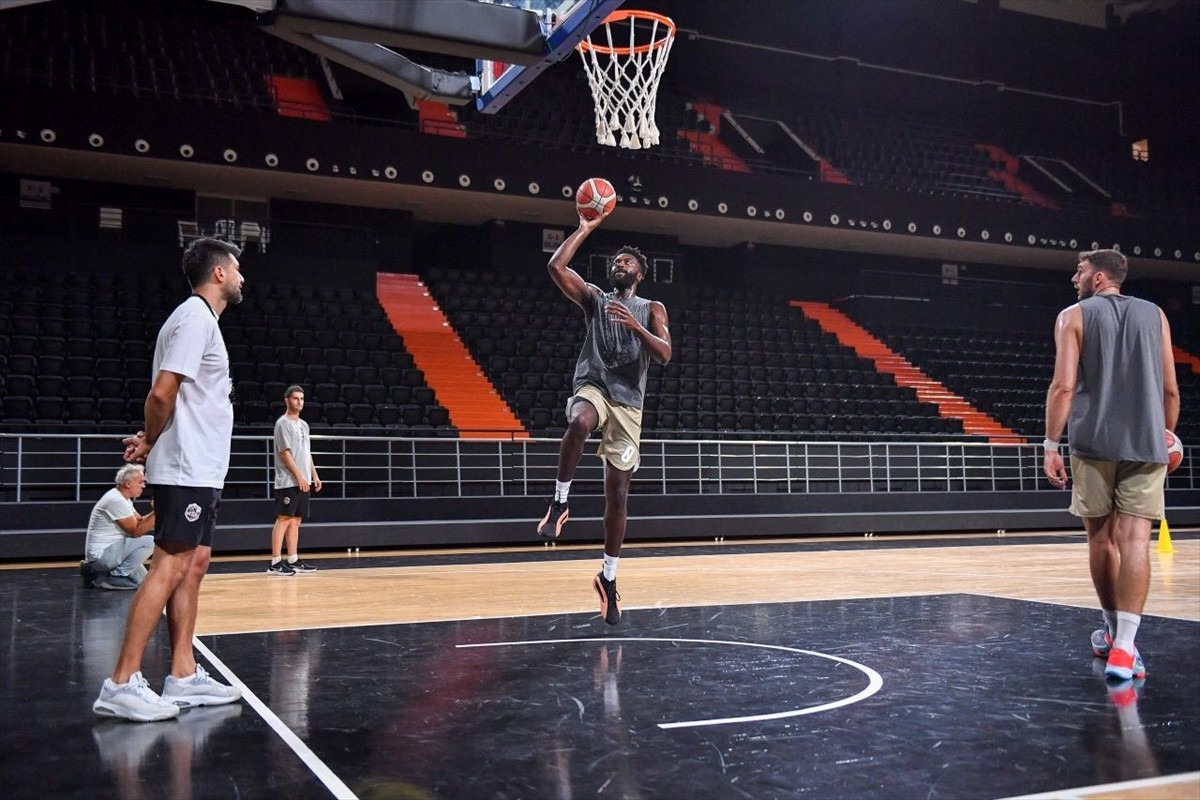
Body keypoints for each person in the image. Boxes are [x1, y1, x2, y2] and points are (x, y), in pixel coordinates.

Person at [92, 237, 246, 723]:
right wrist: (152, 441)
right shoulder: (195, 319)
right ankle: (120, 683)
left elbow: (175, 400)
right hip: (186, 467)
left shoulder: (200, 322)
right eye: (237, 268)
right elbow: (162, 393)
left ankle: (182, 674)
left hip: (201, 467)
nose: (243, 277)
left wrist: (150, 438)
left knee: (194, 565)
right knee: (170, 566)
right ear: (218, 273)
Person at [1043, 248, 1179, 683]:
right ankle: (1124, 649)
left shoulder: (1072, 316)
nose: (1073, 278)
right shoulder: (1155, 315)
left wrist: (1050, 444)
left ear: (1098, 278)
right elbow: (1170, 390)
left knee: (1101, 540)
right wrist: (1168, 437)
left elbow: (1064, 387)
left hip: (1092, 443)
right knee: (1136, 541)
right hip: (1145, 442)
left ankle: (1110, 629)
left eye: (1079, 271)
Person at [535, 208, 672, 625]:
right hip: (595, 387)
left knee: (618, 496)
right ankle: (559, 501)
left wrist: (635, 326)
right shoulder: (596, 299)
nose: (619, 265)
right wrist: (584, 227)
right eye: (616, 261)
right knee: (579, 421)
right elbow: (556, 266)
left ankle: (608, 578)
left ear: (640, 274)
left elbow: (664, 353)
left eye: (627, 262)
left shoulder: (652, 308)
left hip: (629, 403)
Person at [268, 384, 322, 575]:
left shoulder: (304, 425)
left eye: (301, 398)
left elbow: (307, 453)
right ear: (287, 400)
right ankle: (275, 562)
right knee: (284, 518)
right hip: (288, 480)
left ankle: (293, 559)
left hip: (304, 479)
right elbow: (285, 454)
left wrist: (313, 475)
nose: (299, 402)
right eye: (296, 398)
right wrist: (299, 476)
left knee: (296, 520)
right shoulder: (282, 424)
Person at [81, 464, 156, 590]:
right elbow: (136, 531)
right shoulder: (116, 500)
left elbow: (141, 522)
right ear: (128, 484)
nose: (143, 486)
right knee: (151, 541)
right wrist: (158, 511)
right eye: (141, 482)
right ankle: (117, 576)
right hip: (103, 556)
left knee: (144, 583)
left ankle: (92, 571)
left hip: (112, 552)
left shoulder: (124, 499)